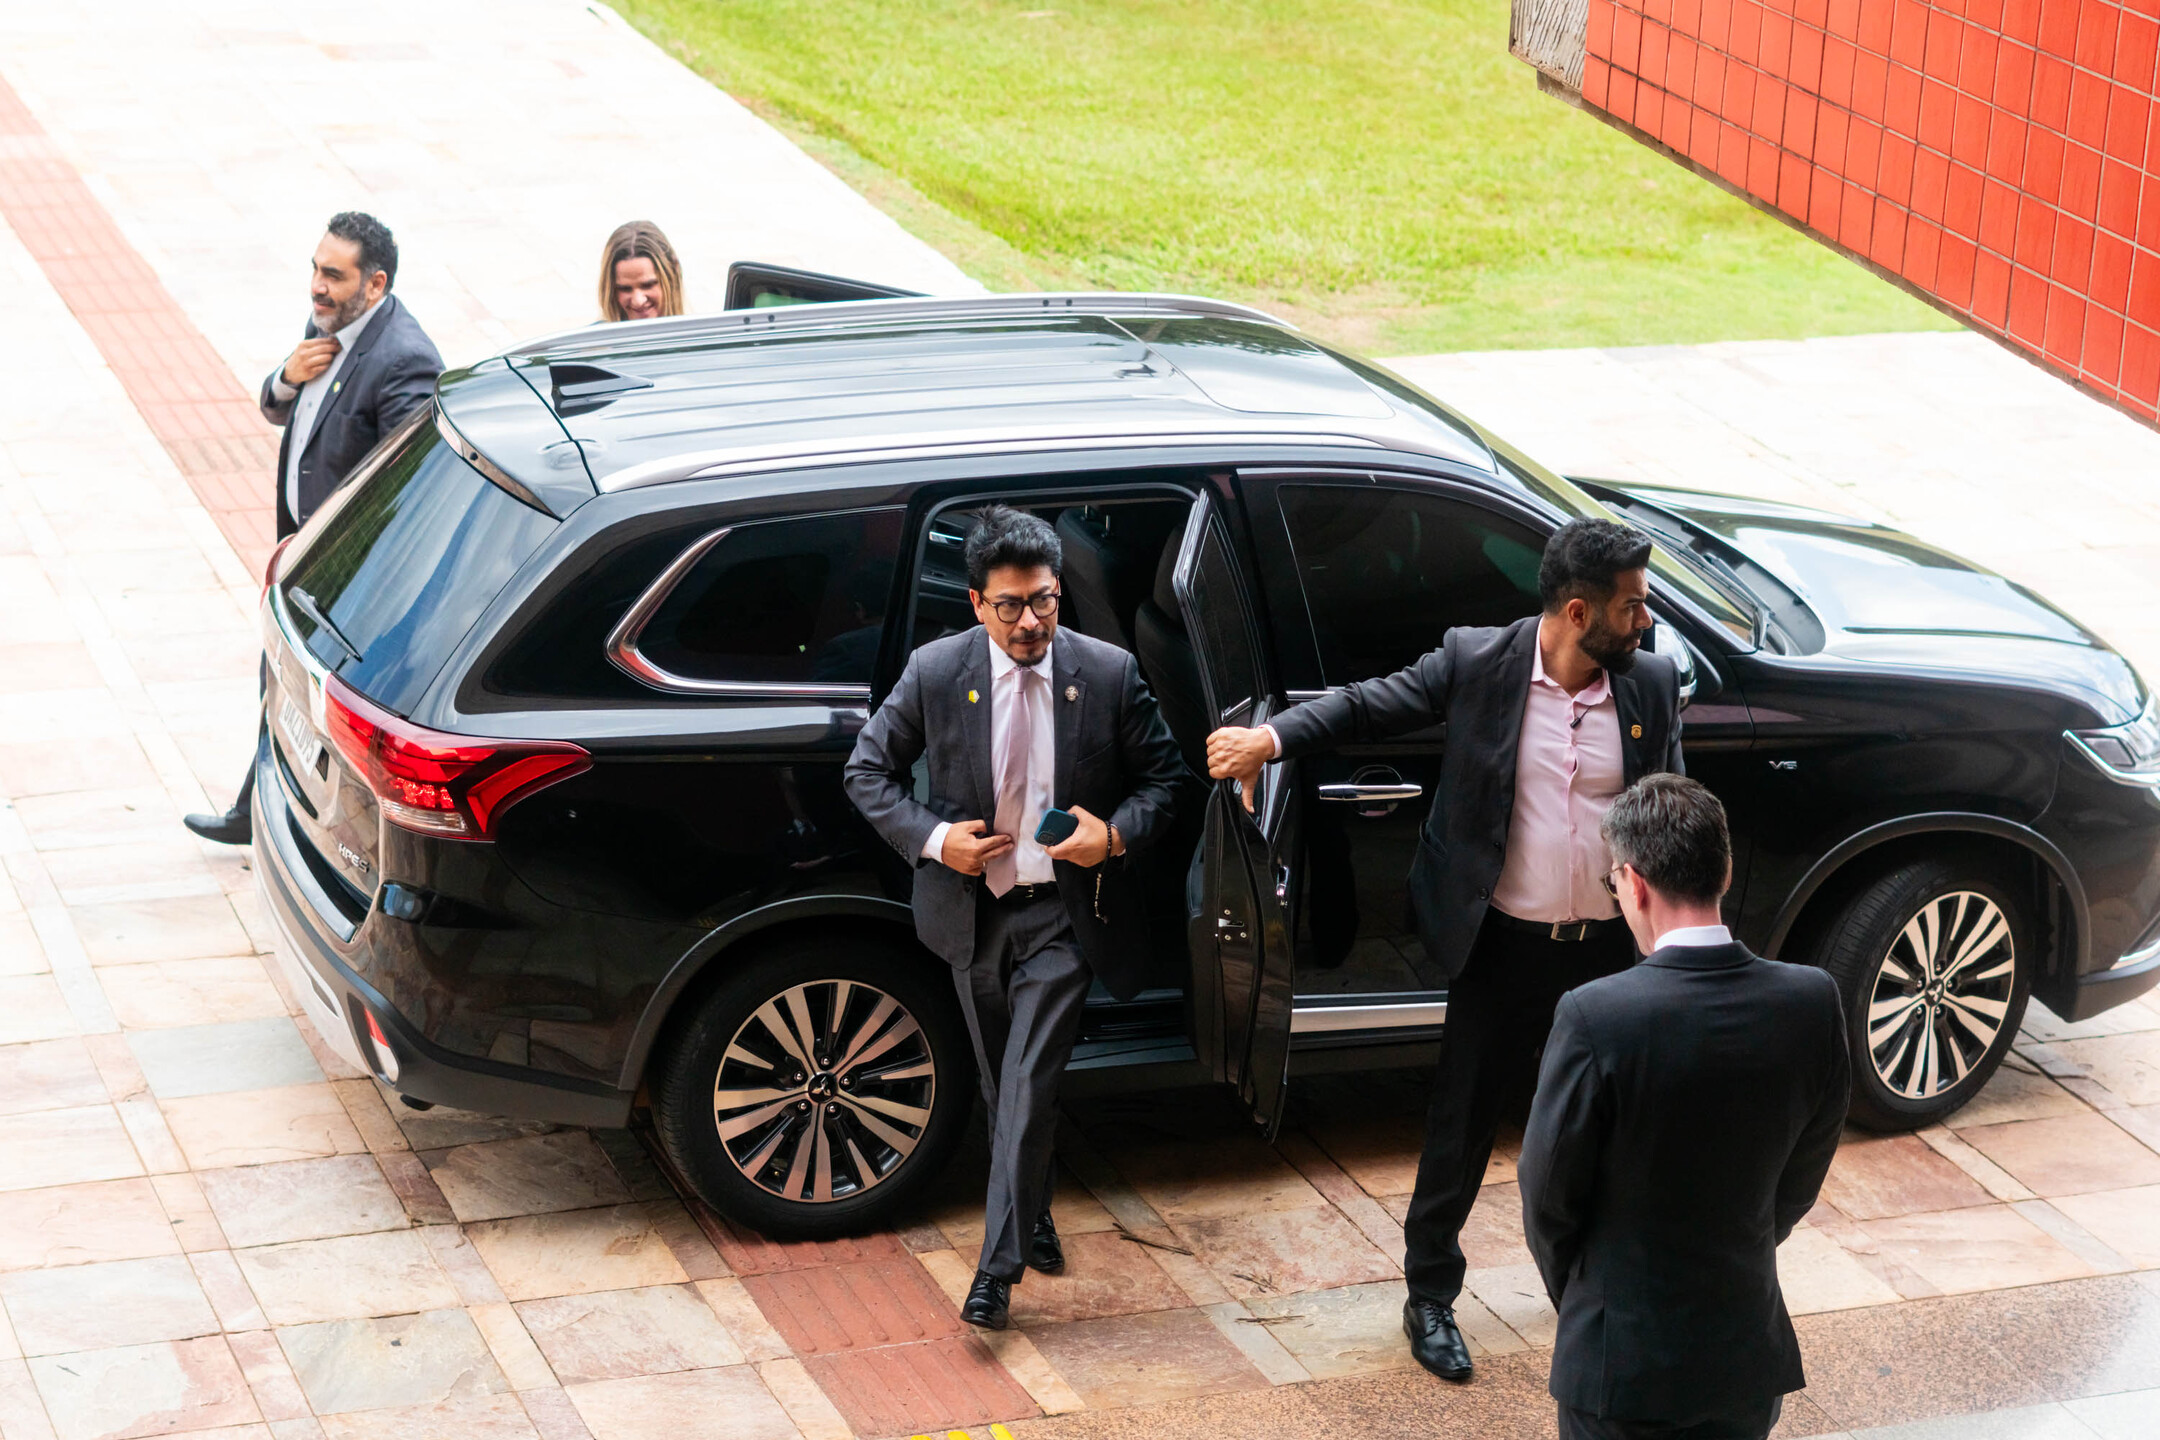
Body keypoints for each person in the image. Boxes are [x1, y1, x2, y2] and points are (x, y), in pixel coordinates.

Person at [1205, 517, 1684, 1383]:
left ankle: (1594, 1281)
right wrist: (1268, 740)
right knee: (1459, 1125)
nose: (1645, 620)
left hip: (1608, 952)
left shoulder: (1648, 683)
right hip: (1500, 945)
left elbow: (1669, 814)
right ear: (1579, 613)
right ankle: (1430, 1295)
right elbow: (1365, 702)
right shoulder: (1478, 662)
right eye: (1633, 606)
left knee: (1608, 1126)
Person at [844, 506, 1184, 1331]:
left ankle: (996, 1270)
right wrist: (933, 839)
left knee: (1030, 1085)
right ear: (975, 604)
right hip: (972, 915)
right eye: (1010, 606)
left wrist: (1112, 837)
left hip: (1063, 920)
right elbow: (867, 771)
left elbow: (1167, 783)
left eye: (1044, 601)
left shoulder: (1106, 672)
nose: (1030, 621)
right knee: (1005, 1086)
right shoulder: (936, 671)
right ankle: (1032, 1214)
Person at [1518, 775, 1848, 1439]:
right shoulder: (1812, 1001)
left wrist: (1589, 1298)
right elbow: (1805, 1167)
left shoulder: (1595, 1017)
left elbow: (1548, 1194)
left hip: (1620, 1367)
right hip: (1743, 1354)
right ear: (1723, 871)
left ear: (1634, 884)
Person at [184, 211, 442, 847]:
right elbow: (279, 407)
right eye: (315, 269)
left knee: (314, 700)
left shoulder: (405, 360)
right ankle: (256, 806)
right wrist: (285, 377)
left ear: (375, 284)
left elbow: (404, 494)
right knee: (278, 676)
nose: (317, 286)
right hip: (301, 547)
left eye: (333, 274)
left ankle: (308, 829)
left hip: (346, 570)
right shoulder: (327, 326)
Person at [598, 220, 685, 322]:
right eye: (625, 289)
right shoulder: (588, 337)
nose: (638, 301)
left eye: (648, 285)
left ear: (672, 278)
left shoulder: (699, 335)